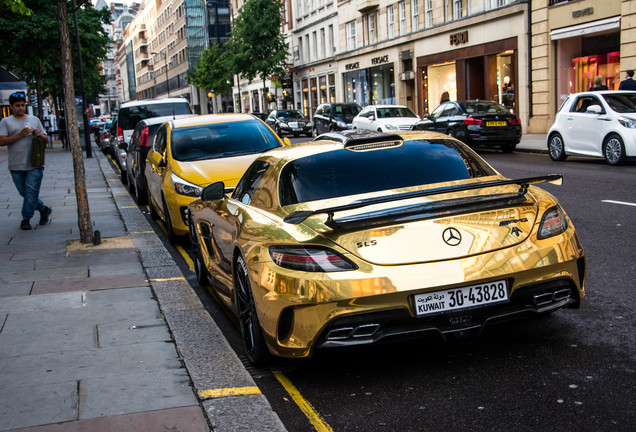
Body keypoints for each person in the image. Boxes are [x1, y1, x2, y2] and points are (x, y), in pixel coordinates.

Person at [0, 92, 52, 230]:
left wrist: (40, 135)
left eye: (23, 105)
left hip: (35, 164)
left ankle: (26, 219)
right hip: (16, 164)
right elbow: (2, 141)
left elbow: (46, 139)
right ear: (11, 106)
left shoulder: (34, 119)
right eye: (17, 106)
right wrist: (19, 135)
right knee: (25, 192)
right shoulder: (5, 122)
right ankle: (43, 209)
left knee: (30, 192)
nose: (20, 108)